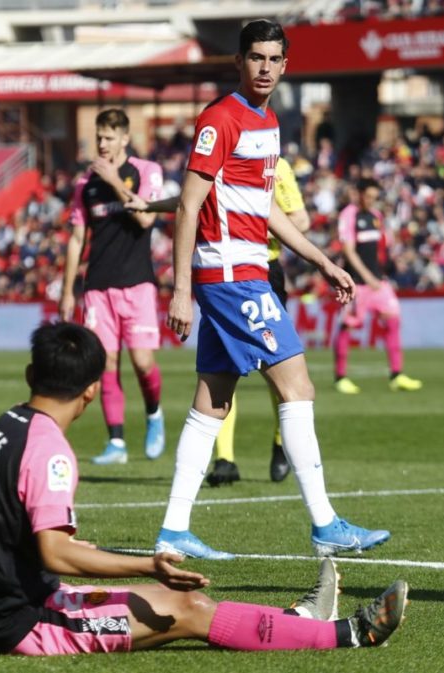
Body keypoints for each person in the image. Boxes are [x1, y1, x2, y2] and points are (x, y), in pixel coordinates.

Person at [0, 321, 409, 655]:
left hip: (2, 607)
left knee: (178, 601)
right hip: (24, 623)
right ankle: (352, 633)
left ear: (31, 375)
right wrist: (148, 565)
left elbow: (12, 530)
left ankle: (297, 621)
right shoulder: (49, 450)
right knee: (189, 609)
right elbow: (57, 553)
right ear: (93, 390)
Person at [156, 20, 390, 560]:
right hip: (232, 275)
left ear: (285, 65)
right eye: (255, 57)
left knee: (211, 401)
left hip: (245, 271)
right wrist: (181, 289)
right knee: (298, 385)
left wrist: (323, 260)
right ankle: (326, 522)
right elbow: (189, 203)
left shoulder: (269, 122)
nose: (264, 67)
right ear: (239, 61)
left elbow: (265, 210)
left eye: (273, 59)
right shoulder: (219, 119)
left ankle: (173, 530)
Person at [126, 156, 310, 487]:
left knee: (280, 370)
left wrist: (248, 225)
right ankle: (225, 459)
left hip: (263, 271)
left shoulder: (275, 166)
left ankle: (281, 444)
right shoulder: (214, 157)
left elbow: (301, 219)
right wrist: (151, 206)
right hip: (222, 276)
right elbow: (191, 200)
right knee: (223, 371)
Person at [59, 109, 166, 465]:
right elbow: (77, 239)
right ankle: (116, 443)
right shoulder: (84, 185)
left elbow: (146, 217)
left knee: (142, 361)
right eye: (99, 137)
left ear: (124, 138)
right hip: (97, 287)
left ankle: (154, 415)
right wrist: (66, 291)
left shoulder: (145, 172)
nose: (101, 144)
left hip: (137, 283)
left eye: (108, 137)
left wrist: (115, 183)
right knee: (105, 363)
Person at [333, 178, 423, 394]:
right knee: (348, 325)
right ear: (359, 193)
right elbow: (348, 250)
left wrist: (388, 268)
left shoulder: (376, 216)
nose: (372, 201)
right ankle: (341, 377)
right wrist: (366, 276)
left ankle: (396, 374)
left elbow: (382, 248)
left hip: (378, 282)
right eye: (369, 196)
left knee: (393, 320)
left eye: (375, 197)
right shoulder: (349, 215)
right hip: (357, 283)